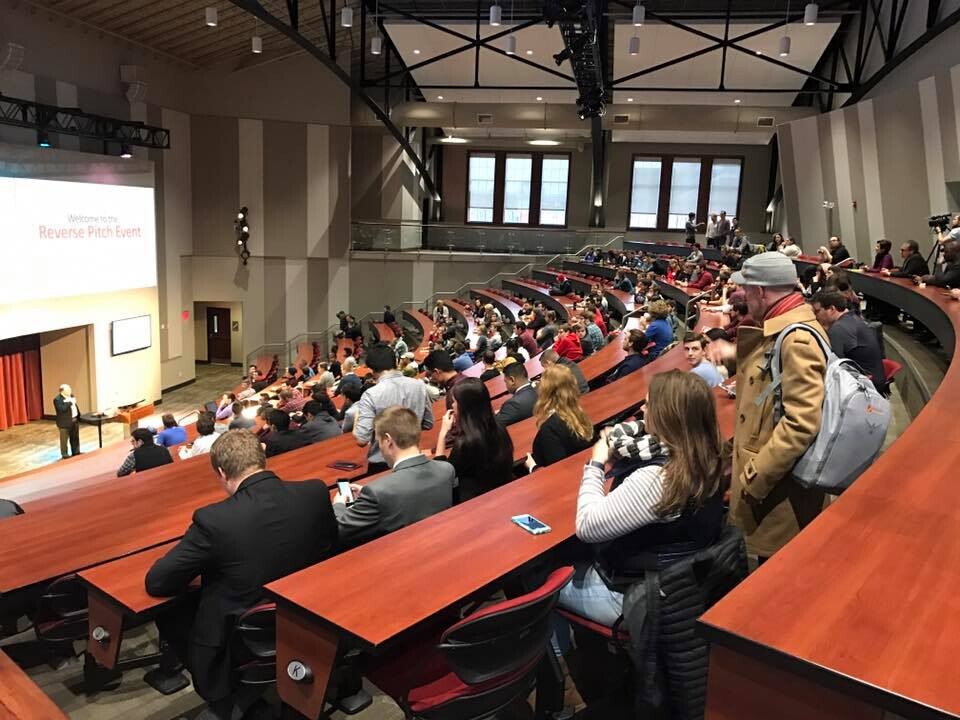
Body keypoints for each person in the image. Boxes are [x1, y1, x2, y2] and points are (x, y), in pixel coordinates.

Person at [146, 430, 337, 717]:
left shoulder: (213, 520)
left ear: (221, 472)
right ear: (263, 456)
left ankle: (221, 696)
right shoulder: (314, 492)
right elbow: (330, 547)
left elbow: (158, 582)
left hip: (244, 631)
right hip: (307, 613)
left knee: (170, 612)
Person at [554, 371, 725, 648]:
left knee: (540, 580)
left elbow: (586, 526)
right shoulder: (707, 453)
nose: (642, 410)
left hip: (634, 595)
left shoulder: (659, 478)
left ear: (666, 417)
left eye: (648, 405)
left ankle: (568, 664)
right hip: (678, 587)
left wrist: (596, 463)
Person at [721, 252, 828, 561]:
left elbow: (801, 424)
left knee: (769, 575)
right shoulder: (782, 330)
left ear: (762, 292)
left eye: (746, 291)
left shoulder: (796, 339)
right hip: (766, 480)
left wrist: (753, 480)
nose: (743, 297)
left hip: (774, 492)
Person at [334, 407, 456, 548]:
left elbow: (338, 531)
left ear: (387, 440)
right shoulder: (446, 470)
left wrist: (339, 504)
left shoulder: (377, 493)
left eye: (378, 440)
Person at [354, 344, 433, 474]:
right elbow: (428, 424)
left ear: (372, 369)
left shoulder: (371, 395)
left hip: (382, 465)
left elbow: (361, 439)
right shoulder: (419, 386)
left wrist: (357, 417)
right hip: (414, 459)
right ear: (396, 362)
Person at [435, 379, 515, 502]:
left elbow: (443, 475)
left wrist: (443, 433)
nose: (452, 405)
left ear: (464, 406)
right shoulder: (499, 427)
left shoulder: (466, 443)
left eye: (455, 401)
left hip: (477, 501)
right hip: (505, 492)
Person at [811, 291, 886, 391]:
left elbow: (832, 366)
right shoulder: (852, 318)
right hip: (873, 378)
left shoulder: (839, 328)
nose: (815, 316)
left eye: (817, 311)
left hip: (866, 387)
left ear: (832, 309)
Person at [526, 365, 594, 471]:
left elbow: (558, 471)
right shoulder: (579, 415)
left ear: (545, 391)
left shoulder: (550, 428)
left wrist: (532, 467)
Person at [495, 362, 538, 427]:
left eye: (505, 382)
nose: (506, 385)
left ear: (512, 380)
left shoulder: (512, 404)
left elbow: (495, 426)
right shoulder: (540, 389)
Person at [53, 384, 81, 459]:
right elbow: (61, 409)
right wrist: (70, 402)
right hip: (64, 423)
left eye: (70, 389)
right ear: (62, 391)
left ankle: (76, 452)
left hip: (74, 420)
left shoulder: (71, 395)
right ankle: (65, 454)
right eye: (68, 389)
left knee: (75, 437)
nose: (70, 390)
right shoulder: (57, 399)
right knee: (64, 440)